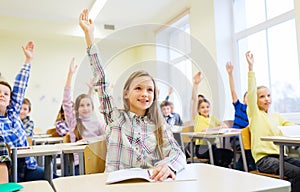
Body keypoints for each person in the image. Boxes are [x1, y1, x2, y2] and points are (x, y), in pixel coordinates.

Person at [79, 8, 186, 181]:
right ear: (126, 94)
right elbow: (101, 80)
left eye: (149, 90)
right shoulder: (115, 118)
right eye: (138, 88)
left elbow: (177, 153)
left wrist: (167, 165)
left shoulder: (159, 124)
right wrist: (89, 36)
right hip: (118, 185)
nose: (145, 94)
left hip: (150, 185)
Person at [0, 41, 55, 182]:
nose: (2, 95)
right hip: (9, 172)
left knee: (55, 179)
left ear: (10, 101)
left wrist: (28, 60)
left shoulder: (12, 113)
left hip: (29, 168)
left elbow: (20, 87)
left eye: (6, 94)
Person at [246, 51, 300, 192]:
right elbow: (251, 94)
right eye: (262, 96)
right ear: (255, 101)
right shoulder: (254, 114)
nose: (266, 99)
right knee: (297, 174)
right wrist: (251, 69)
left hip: (281, 156)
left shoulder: (275, 116)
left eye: (268, 95)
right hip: (264, 160)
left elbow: (290, 126)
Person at [62, 57, 106, 174]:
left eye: (88, 105)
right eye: (82, 105)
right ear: (76, 108)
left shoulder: (98, 123)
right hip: (78, 164)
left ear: (92, 107)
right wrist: (70, 75)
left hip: (97, 163)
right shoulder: (74, 122)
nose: (85, 108)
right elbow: (66, 101)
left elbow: (107, 137)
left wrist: (89, 141)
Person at [192, 72, 232, 167]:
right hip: (202, 149)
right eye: (202, 107)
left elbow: (224, 126)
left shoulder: (212, 118)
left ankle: (221, 170)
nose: (205, 109)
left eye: (207, 107)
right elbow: (194, 101)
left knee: (228, 154)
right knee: (218, 155)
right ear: (198, 109)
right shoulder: (197, 118)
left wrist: (215, 128)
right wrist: (196, 84)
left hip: (213, 147)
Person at [225, 62, 256, 171]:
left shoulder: (255, 112)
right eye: (248, 97)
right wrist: (230, 74)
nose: (250, 99)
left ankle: (248, 168)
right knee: (248, 148)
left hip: (251, 140)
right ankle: (245, 168)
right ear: (244, 100)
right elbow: (233, 91)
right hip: (237, 139)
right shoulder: (239, 107)